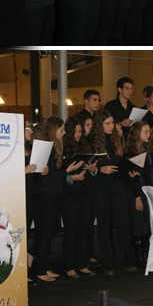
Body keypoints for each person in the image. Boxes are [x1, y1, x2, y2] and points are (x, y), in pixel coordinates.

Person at [32, 117, 84, 282]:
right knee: (45, 233)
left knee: (51, 230)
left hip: (54, 194)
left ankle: (44, 267)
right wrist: (67, 171)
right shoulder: (45, 149)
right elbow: (43, 177)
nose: (64, 133)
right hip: (45, 196)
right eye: (61, 130)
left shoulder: (54, 149)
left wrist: (67, 171)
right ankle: (40, 270)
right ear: (53, 131)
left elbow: (52, 175)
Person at [91, 111, 135, 275]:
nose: (111, 127)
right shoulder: (93, 142)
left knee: (123, 221)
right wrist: (100, 169)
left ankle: (119, 259)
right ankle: (107, 261)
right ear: (100, 125)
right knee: (104, 223)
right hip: (101, 186)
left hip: (117, 184)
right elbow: (89, 165)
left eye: (111, 123)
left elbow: (119, 163)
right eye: (107, 124)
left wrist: (129, 169)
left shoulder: (115, 140)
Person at [61, 118, 97, 278]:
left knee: (84, 229)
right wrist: (71, 175)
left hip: (85, 192)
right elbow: (60, 175)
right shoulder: (62, 147)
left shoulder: (85, 145)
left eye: (80, 132)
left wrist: (93, 169)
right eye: (75, 132)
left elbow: (92, 172)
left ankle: (82, 264)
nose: (77, 135)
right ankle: (69, 266)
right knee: (71, 231)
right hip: (70, 195)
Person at [125, 120, 152, 267]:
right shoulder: (130, 152)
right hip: (137, 192)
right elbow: (131, 178)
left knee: (147, 223)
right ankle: (139, 258)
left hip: (146, 190)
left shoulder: (146, 149)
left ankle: (145, 254)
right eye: (145, 132)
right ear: (137, 133)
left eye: (149, 132)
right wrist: (137, 197)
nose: (148, 134)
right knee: (138, 223)